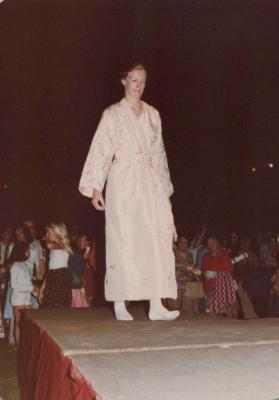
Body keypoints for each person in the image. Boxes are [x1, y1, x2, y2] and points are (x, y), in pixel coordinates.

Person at [79, 61, 179, 321]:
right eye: (134, 79)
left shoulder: (153, 114)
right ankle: (120, 301)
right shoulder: (112, 113)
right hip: (123, 179)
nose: (138, 86)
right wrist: (95, 187)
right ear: (124, 80)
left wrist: (163, 190)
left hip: (148, 180)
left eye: (143, 81)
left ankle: (156, 303)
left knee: (155, 238)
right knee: (123, 236)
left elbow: (158, 153)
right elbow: (101, 148)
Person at [39, 222, 72, 308]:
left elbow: (49, 245)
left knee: (58, 306)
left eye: (49, 232)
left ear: (56, 233)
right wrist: (43, 287)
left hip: (60, 277)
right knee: (48, 306)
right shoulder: (54, 248)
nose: (46, 234)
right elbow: (50, 269)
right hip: (52, 276)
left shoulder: (63, 245)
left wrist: (45, 238)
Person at [202, 236, 237, 316]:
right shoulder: (206, 257)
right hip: (210, 287)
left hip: (223, 289)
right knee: (211, 311)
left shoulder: (224, 256)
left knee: (229, 312)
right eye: (209, 243)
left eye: (213, 242)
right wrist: (204, 274)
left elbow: (230, 270)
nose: (211, 245)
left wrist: (218, 274)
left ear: (217, 243)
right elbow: (203, 271)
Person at [10, 242, 36, 345]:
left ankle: (26, 345)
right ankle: (20, 346)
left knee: (28, 323)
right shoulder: (15, 266)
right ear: (21, 252)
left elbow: (27, 283)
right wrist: (30, 288)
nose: (29, 252)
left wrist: (35, 291)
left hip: (27, 298)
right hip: (18, 298)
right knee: (19, 323)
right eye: (27, 250)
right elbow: (14, 284)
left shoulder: (24, 265)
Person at [68, 233, 90, 308]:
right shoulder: (75, 253)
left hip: (76, 285)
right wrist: (84, 259)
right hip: (74, 286)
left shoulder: (78, 253)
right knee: (80, 309)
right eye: (81, 240)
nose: (85, 242)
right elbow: (76, 271)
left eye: (85, 240)